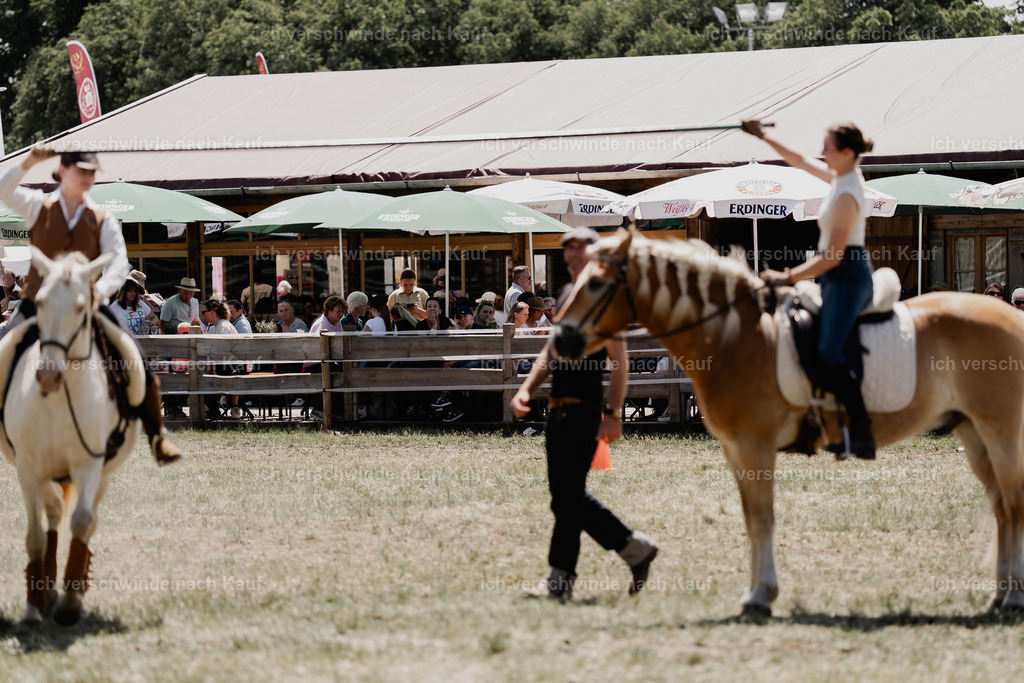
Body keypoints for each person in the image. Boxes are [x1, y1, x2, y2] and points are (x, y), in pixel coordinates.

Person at [0, 144, 181, 463]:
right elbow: (3, 189)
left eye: (92, 172)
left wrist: (100, 291)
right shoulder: (37, 205)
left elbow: (118, 261)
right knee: (1, 352)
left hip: (86, 304)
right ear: (63, 171)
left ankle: (157, 436)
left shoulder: (102, 218)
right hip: (35, 305)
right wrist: (30, 160)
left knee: (134, 357)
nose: (88, 177)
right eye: (82, 170)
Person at [510, 226, 658, 601]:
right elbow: (552, 350)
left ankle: (560, 578)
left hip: (585, 410)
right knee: (563, 496)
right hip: (556, 409)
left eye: (581, 247)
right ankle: (633, 547)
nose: (574, 253)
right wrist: (527, 388)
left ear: (595, 254)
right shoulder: (564, 294)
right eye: (569, 248)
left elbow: (620, 361)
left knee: (568, 494)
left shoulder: (603, 296)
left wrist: (614, 412)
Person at [743, 119, 877, 459]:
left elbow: (831, 256)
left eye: (828, 148)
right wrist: (763, 136)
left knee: (829, 353)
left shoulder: (847, 193)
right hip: (836, 275)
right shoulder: (840, 179)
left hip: (846, 274)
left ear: (847, 153)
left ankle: (862, 435)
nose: (822, 153)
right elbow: (800, 160)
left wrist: (787, 277)